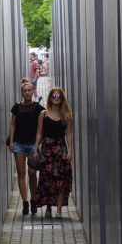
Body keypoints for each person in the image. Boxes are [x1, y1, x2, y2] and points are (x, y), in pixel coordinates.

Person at [33, 85, 73, 219]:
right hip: (47, 149)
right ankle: (49, 207)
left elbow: (68, 134)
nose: (56, 98)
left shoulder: (66, 115)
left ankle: (59, 211)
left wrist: (70, 151)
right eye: (54, 96)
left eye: (59, 96)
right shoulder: (43, 114)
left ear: (62, 99)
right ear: (50, 98)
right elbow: (39, 133)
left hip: (60, 149)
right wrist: (35, 148)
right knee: (47, 180)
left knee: (61, 180)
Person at [8, 78, 45, 216]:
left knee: (32, 173)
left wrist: (38, 145)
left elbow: (42, 128)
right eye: (24, 91)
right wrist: (11, 141)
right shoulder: (16, 108)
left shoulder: (39, 108)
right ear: (21, 93)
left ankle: (34, 200)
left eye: (29, 90)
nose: (27, 93)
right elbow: (12, 124)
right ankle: (25, 203)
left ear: (32, 92)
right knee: (21, 173)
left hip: (32, 145)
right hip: (19, 143)